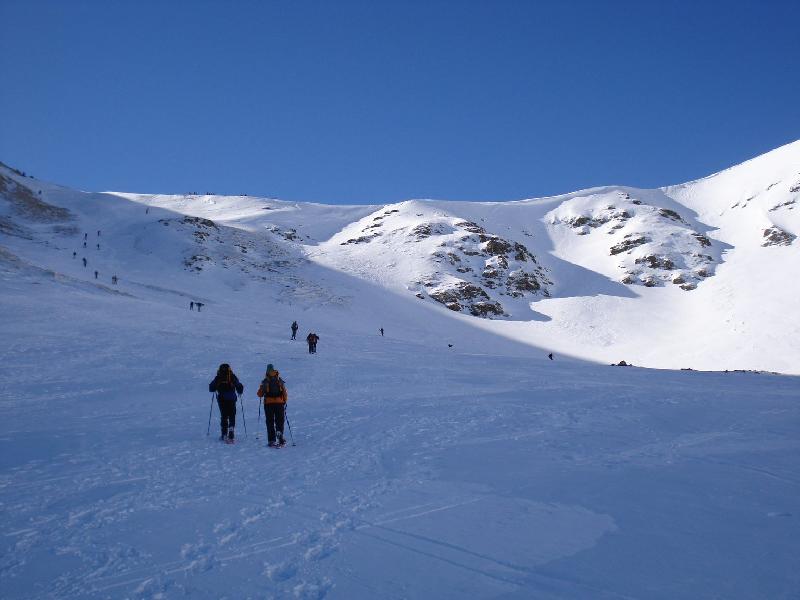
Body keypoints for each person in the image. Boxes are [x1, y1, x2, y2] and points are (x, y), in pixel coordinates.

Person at [209, 363, 244, 441]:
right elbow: (239, 385)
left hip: (222, 398)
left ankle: (224, 433)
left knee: (224, 416)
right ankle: (231, 429)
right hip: (232, 398)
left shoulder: (218, 377)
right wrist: (240, 391)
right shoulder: (232, 376)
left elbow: (211, 388)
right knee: (232, 414)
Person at [257, 364, 288, 447]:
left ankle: (271, 440)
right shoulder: (279, 379)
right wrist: (284, 400)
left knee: (270, 421)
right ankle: (279, 434)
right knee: (279, 420)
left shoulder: (266, 380)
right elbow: (284, 391)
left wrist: (261, 387)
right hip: (279, 403)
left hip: (268, 404)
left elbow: (259, 394)